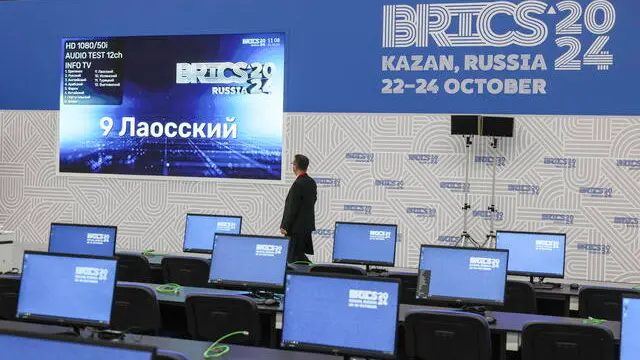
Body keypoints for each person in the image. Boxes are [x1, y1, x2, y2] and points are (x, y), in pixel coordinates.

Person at [280, 154, 317, 263]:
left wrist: (285, 226)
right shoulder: (311, 182)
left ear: (295, 166)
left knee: (292, 258)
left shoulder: (298, 184)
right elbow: (313, 200)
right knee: (299, 255)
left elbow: (292, 208)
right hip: (306, 227)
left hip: (295, 228)